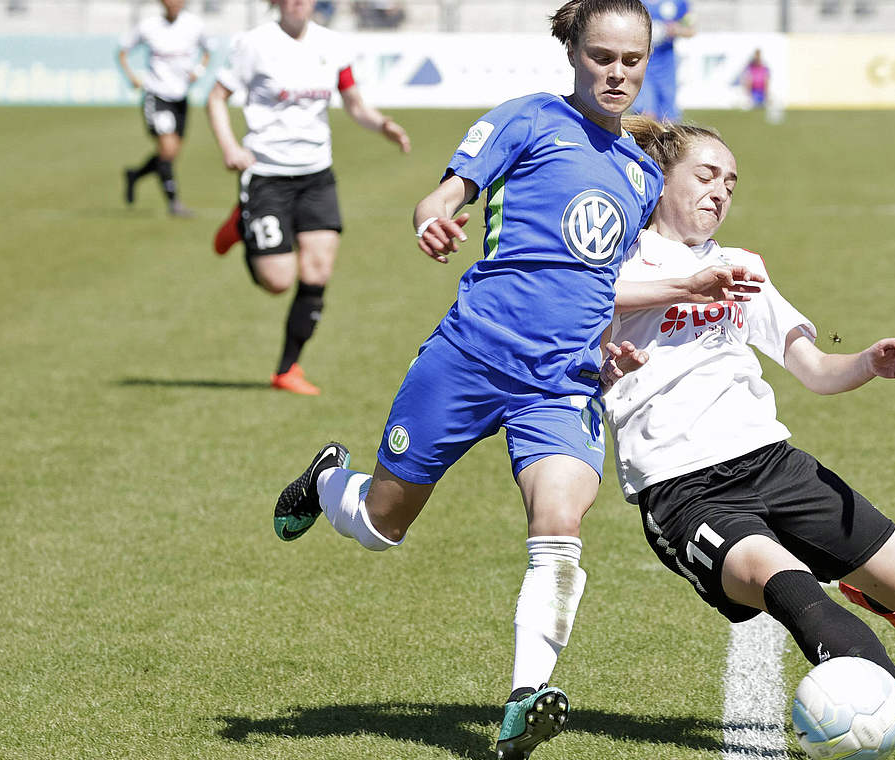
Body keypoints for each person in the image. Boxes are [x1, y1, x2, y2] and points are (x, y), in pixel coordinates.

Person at [271, 2, 661, 758]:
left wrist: (612, 348)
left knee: (560, 526)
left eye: (631, 60)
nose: (616, 73)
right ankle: (328, 483)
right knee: (384, 526)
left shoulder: (641, 175)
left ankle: (524, 698)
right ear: (574, 51)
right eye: (602, 56)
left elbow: (599, 282)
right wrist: (432, 219)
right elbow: (442, 196)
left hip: (561, 381)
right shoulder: (526, 121)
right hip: (472, 355)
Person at [603, 116, 895, 739]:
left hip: (771, 462)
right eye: (706, 175)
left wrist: (868, 362)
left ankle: (859, 583)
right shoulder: (616, 261)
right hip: (685, 488)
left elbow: (816, 370)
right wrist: (607, 359)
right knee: (790, 587)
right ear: (658, 180)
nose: (720, 192)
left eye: (731, 184)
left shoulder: (741, 267)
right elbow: (580, 312)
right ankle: (893, 687)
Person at [207, 0, 411, 394]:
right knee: (278, 280)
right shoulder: (253, 43)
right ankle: (243, 222)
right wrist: (230, 147)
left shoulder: (332, 45)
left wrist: (382, 124)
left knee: (317, 272)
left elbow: (353, 103)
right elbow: (216, 97)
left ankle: (288, 369)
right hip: (266, 174)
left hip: (317, 175)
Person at [117, 0, 211, 218]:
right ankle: (174, 203)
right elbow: (122, 51)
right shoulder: (148, 26)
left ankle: (135, 175)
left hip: (180, 96)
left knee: (170, 154)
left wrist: (198, 70)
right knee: (167, 149)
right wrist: (133, 78)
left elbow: (208, 50)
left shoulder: (194, 25)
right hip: (156, 94)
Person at [635, 0, 694, 122]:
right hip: (640, 62)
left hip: (666, 66)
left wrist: (675, 30)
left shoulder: (678, 3)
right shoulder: (635, 3)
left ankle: (667, 141)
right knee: (646, 115)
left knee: (668, 119)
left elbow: (690, 30)